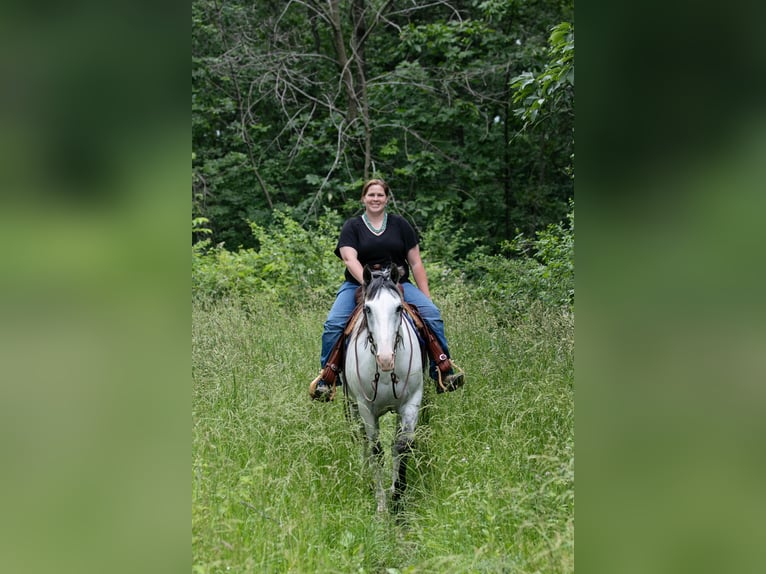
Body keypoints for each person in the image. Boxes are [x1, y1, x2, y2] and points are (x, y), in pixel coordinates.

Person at [309, 178, 464, 401]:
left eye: (380, 195)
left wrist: (426, 297)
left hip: (397, 284)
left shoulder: (400, 225)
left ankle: (442, 371)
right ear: (363, 198)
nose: (375, 199)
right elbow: (349, 258)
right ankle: (328, 378)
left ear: (387, 198)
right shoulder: (352, 226)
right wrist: (367, 282)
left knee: (432, 315)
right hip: (359, 283)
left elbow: (416, 262)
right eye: (371, 195)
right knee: (334, 323)